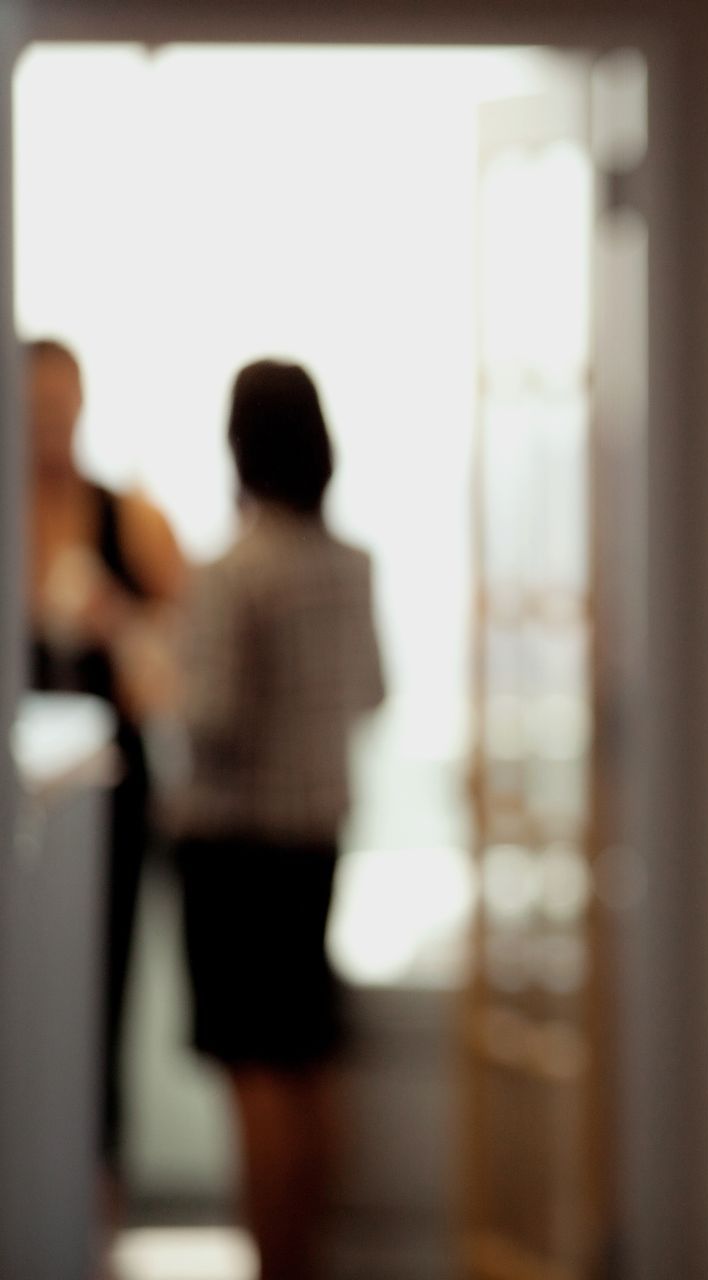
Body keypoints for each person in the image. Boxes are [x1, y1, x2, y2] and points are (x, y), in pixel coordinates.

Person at [173, 360, 384, 1280]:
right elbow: (374, 692)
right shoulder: (350, 567)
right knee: (308, 1059)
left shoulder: (234, 573)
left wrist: (153, 668)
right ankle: (309, 1258)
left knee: (257, 1070)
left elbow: (211, 719)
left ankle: (274, 1262)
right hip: (314, 843)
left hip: (236, 848)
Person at [25, 338, 189, 1189]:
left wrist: (115, 622)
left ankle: (97, 1207)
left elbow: (187, 667)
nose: (52, 421)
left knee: (100, 1002)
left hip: (108, 803)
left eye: (64, 402)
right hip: (21, 800)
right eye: (36, 404)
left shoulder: (128, 517)